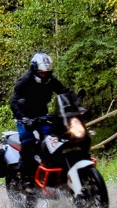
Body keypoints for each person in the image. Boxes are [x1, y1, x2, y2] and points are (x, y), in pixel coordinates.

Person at [10, 52, 71, 190]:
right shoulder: (24, 81)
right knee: (28, 144)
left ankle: (53, 171)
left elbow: (64, 92)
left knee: (54, 140)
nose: (44, 75)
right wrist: (23, 118)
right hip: (25, 118)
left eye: (47, 73)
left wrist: (77, 105)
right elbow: (13, 102)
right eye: (41, 72)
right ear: (34, 70)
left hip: (43, 116)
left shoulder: (51, 80)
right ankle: (26, 181)